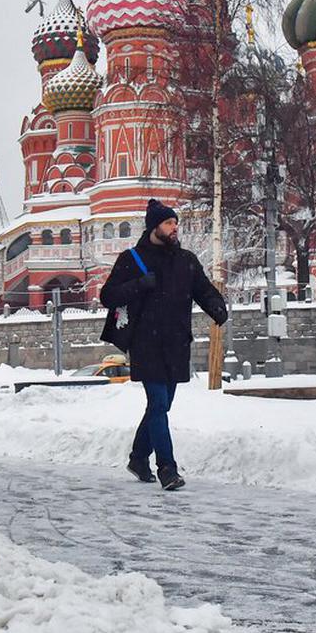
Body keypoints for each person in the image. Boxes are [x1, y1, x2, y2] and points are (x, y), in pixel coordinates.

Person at [100, 198, 227, 491]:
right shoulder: (131, 259)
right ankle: (167, 468)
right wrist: (139, 284)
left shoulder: (186, 260)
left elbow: (203, 290)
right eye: (169, 223)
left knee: (162, 404)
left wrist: (217, 308)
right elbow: (108, 296)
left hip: (177, 342)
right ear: (154, 227)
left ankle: (138, 458)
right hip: (146, 343)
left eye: (176, 223)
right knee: (158, 404)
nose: (174, 228)